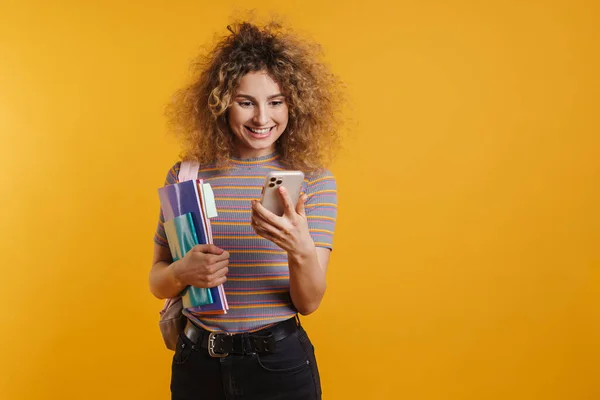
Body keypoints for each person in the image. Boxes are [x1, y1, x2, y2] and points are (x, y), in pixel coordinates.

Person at [149, 20, 343, 400]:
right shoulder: (186, 174)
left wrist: (299, 247)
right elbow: (157, 282)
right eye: (246, 102)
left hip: (279, 366)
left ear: (294, 104)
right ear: (221, 103)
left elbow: (309, 302)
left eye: (276, 102)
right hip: (196, 364)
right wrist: (181, 270)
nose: (261, 119)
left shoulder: (312, 180)